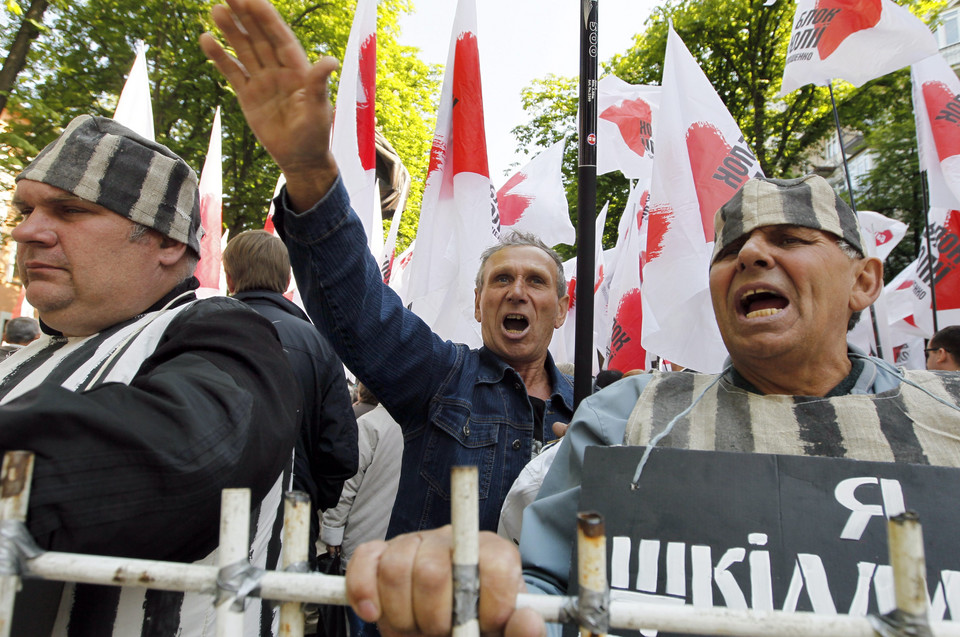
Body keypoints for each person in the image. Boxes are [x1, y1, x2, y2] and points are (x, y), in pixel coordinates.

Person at [343, 173, 960, 637]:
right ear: (478, 303)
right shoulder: (627, 416)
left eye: (792, 239)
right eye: (730, 250)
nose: (751, 256)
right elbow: (546, 594)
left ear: (864, 281)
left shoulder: (947, 414)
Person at [201, 0, 574, 538]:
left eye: (536, 281)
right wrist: (309, 175)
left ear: (562, 310)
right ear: (477, 304)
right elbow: (361, 312)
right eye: (501, 279)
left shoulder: (592, 409)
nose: (517, 291)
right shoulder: (440, 377)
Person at [2, 114, 302, 635]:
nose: (27, 230)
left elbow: (191, 453)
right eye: (25, 209)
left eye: (70, 210)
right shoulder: (24, 352)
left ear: (166, 242)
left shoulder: (224, 329)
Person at [222, 229, 359, 564]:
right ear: (286, 279)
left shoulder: (195, 326)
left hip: (211, 509)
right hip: (292, 514)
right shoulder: (318, 344)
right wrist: (312, 496)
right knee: (285, 612)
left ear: (229, 276)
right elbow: (340, 447)